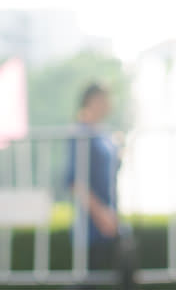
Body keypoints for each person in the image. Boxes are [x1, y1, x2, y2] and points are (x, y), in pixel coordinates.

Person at [63, 81, 130, 284]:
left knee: (120, 273)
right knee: (89, 280)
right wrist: (101, 214)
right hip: (93, 221)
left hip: (109, 216)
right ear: (93, 101)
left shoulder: (103, 134)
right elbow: (75, 181)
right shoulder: (81, 133)